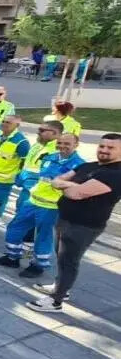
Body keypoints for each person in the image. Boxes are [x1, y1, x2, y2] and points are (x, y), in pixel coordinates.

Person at [27, 133, 121, 313]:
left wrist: (70, 186)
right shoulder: (88, 166)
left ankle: (56, 301)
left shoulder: (116, 174)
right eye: (102, 146)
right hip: (65, 219)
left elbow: (74, 194)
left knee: (69, 261)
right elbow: (56, 182)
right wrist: (73, 186)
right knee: (61, 257)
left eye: (111, 148)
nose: (104, 150)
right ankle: (61, 288)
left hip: (84, 226)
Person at [0, 133, 86, 278]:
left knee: (43, 236)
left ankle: (38, 266)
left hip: (51, 207)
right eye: (60, 142)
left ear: (76, 145)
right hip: (33, 201)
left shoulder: (79, 165)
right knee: (14, 228)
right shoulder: (49, 157)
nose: (62, 146)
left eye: (67, 143)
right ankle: (12, 258)